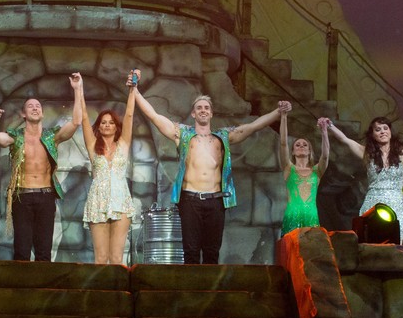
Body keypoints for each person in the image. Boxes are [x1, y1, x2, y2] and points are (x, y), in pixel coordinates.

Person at [135, 90, 291, 264]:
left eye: (206, 108)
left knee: (212, 251)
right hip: (190, 199)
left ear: (211, 113)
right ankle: (192, 282)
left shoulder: (222, 137)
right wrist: (135, 91)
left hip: (215, 200)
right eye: (199, 108)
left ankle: (210, 283)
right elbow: (154, 116)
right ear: (193, 113)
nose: (203, 110)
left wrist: (278, 112)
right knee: (191, 251)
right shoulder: (182, 134)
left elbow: (253, 126)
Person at [0, 75, 84, 261]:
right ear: (23, 114)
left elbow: (75, 122)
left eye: (38, 106)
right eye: (30, 106)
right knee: (22, 249)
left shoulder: (52, 136)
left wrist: (77, 89)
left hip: (45, 195)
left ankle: (43, 280)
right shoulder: (16, 136)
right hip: (22, 195)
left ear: (42, 113)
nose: (35, 108)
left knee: (44, 250)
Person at [324, 116, 403, 246]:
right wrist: (329, 125)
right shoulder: (367, 154)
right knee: (372, 241)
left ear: (390, 132)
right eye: (378, 129)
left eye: (385, 128)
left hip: (396, 204)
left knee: (397, 244)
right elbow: (344, 139)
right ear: (372, 135)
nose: (382, 131)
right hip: (374, 204)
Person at [81, 70, 139, 264]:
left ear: (116, 126)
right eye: (103, 122)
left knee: (116, 258)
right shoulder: (93, 146)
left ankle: (118, 286)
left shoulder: (123, 144)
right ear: (99, 126)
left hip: (120, 202)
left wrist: (133, 89)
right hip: (98, 202)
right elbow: (83, 118)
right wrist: (78, 89)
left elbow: (129, 114)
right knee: (101, 258)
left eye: (111, 122)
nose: (107, 125)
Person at [279, 113, 330, 234]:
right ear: (292, 151)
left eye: (305, 145)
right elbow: (283, 143)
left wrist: (324, 131)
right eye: (297, 145)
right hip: (292, 217)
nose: (301, 146)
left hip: (311, 217)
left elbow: (325, 155)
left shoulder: (317, 171)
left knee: (312, 245)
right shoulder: (288, 168)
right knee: (291, 245)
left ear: (309, 151)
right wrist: (284, 116)